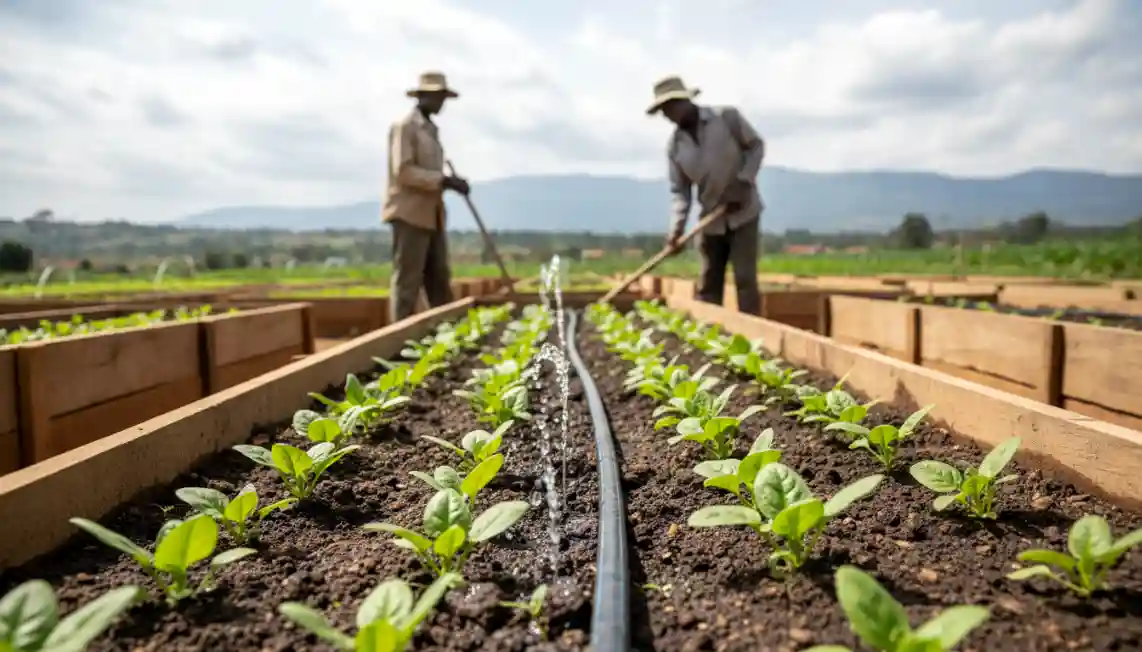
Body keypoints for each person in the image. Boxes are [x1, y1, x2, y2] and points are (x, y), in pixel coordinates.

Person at [647, 75, 765, 315]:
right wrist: (676, 230)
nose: (667, 115)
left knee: (744, 280)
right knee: (709, 284)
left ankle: (755, 339)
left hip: (744, 213)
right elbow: (680, 192)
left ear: (683, 102)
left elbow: (756, 146)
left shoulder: (727, 118)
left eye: (669, 108)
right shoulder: (675, 146)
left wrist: (743, 181)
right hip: (710, 220)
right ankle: (710, 339)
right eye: (663, 111)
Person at [383, 71, 471, 322]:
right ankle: (398, 340)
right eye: (436, 96)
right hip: (409, 213)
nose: (440, 102)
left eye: (442, 97)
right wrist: (443, 180)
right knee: (408, 281)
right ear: (421, 97)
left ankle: (448, 335)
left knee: (439, 278)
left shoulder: (431, 130)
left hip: (432, 214)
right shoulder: (405, 128)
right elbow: (403, 171)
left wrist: (451, 182)